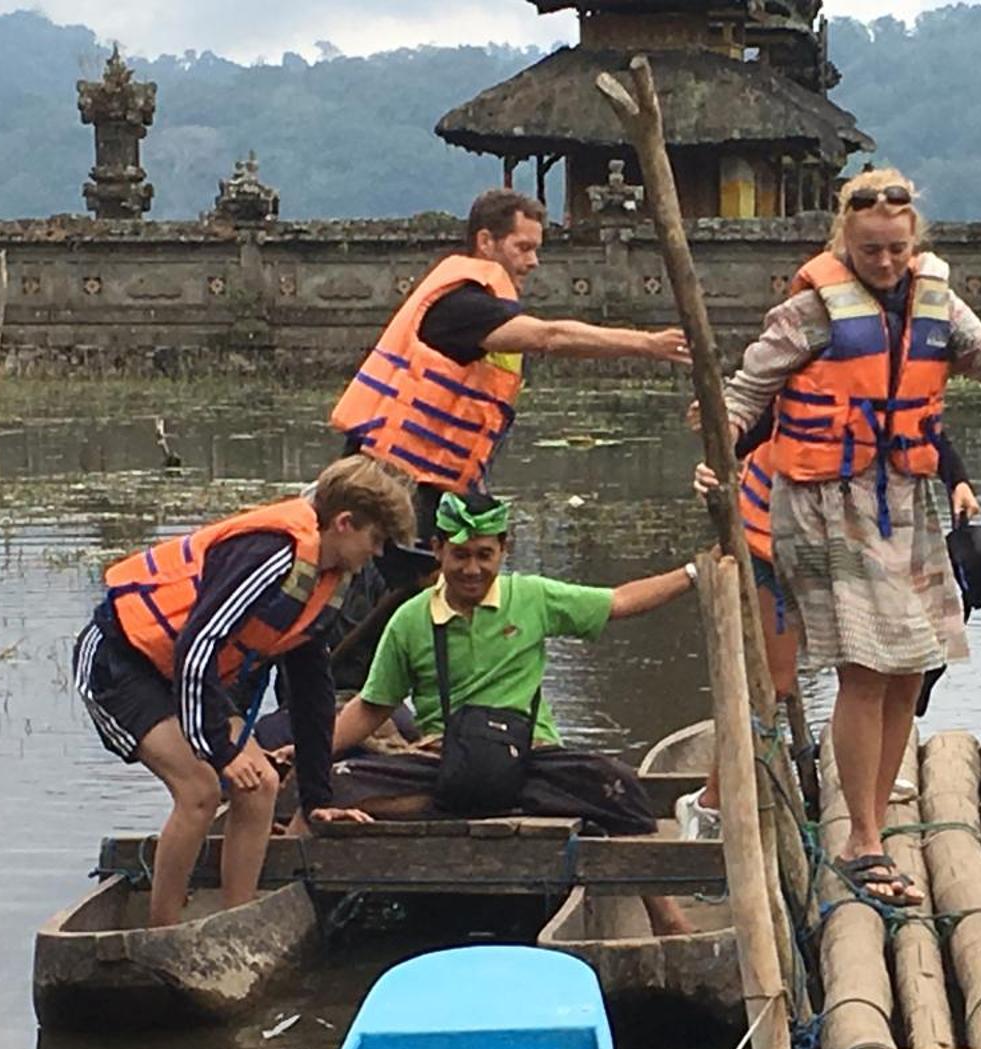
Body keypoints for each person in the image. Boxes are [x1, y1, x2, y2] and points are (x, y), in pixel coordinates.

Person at [721, 167, 981, 906]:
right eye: (869, 250)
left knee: (912, 665)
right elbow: (742, 395)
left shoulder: (937, 305)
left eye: (895, 248)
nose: (884, 263)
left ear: (912, 241)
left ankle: (875, 817)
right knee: (864, 664)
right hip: (826, 505)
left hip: (907, 498)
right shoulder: (808, 314)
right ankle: (858, 838)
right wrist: (713, 456)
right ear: (844, 242)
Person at [328, 490, 701, 934]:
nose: (472, 569)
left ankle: (667, 918)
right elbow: (372, 707)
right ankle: (308, 895)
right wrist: (310, 753)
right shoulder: (411, 619)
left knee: (617, 785)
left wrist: (694, 573)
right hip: (445, 762)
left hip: (530, 756)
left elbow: (618, 602)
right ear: (437, 551)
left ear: (503, 550)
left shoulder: (531, 597)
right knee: (338, 784)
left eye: (485, 555)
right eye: (460, 555)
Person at [73, 454, 415, 927]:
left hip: (185, 675)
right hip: (122, 661)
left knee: (262, 786)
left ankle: (236, 923)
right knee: (201, 789)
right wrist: (220, 749)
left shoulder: (327, 577)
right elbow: (198, 643)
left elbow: (313, 690)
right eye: (375, 540)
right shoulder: (272, 551)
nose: (377, 554)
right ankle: (164, 930)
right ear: (344, 523)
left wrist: (317, 800)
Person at [672, 405, 979, 839]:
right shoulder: (802, 370)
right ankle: (709, 802)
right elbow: (741, 428)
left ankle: (869, 798)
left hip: (851, 545)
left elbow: (925, 427)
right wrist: (715, 461)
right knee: (772, 685)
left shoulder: (889, 372)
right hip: (770, 540)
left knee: (871, 667)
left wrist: (957, 479)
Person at [331, 187, 694, 542]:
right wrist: (648, 343)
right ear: (486, 242)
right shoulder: (463, 304)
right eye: (523, 248)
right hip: (390, 477)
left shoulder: (483, 303)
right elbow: (550, 337)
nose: (533, 262)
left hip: (432, 478)